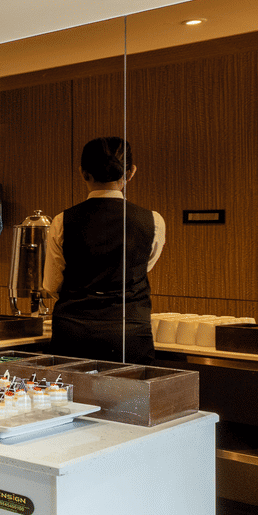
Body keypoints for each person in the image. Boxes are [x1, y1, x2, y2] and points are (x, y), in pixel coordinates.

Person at [43, 136, 166, 364]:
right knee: (130, 398)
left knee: (71, 399)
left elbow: (51, 284)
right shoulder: (153, 221)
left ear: (83, 173)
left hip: (73, 333)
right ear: (130, 173)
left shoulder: (62, 221)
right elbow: (140, 266)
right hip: (128, 335)